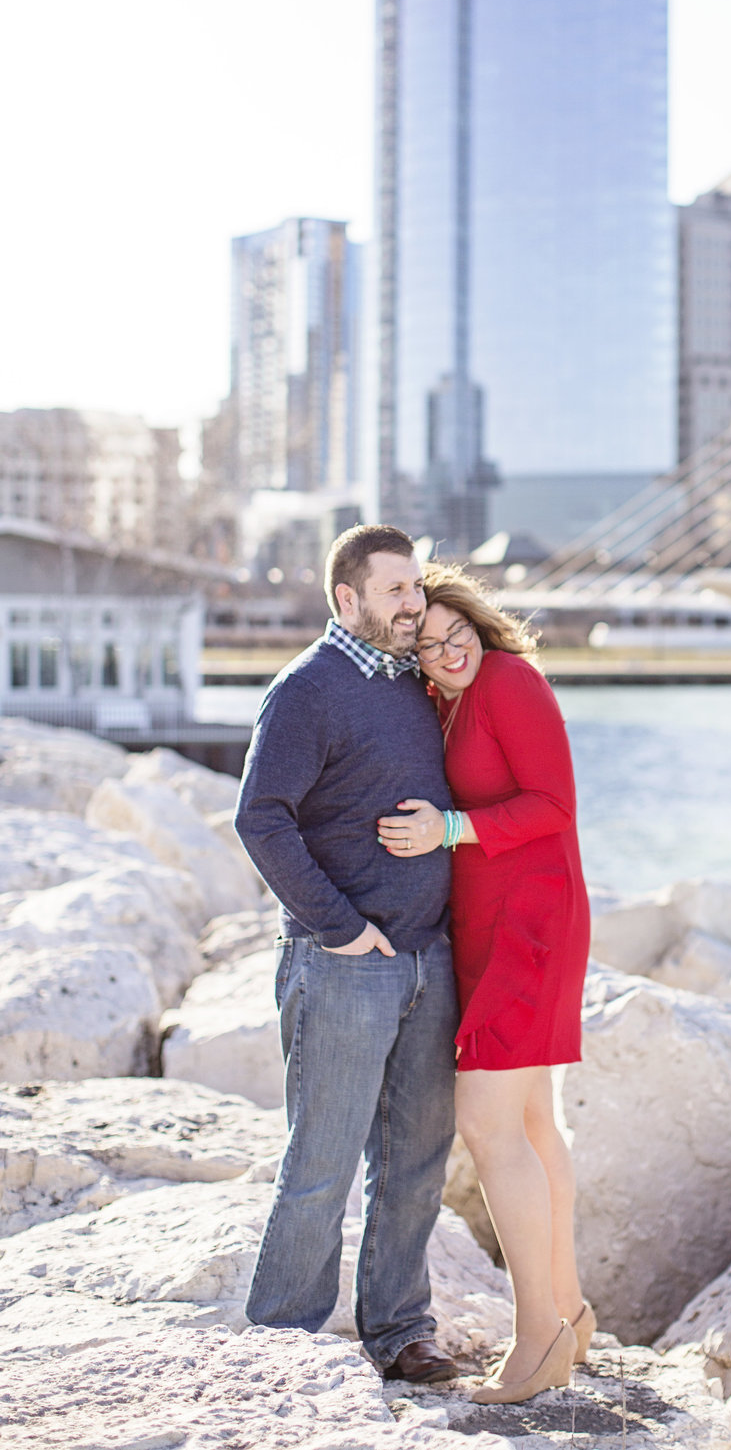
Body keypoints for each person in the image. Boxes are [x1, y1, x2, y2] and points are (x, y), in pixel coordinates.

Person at [234, 525, 460, 1385]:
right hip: (343, 962)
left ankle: (401, 1330)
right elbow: (261, 818)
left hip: (426, 959)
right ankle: (283, 1345)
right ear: (348, 599)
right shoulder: (307, 689)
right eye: (396, 590)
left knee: (416, 1161)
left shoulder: (414, 683)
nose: (414, 604)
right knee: (320, 1164)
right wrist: (338, 926)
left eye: (417, 587)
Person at [376, 563, 592, 1406]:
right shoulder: (450, 697)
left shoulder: (510, 679)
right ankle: (569, 1308)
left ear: (475, 614)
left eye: (451, 625)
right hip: (493, 927)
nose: (445, 646)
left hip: (532, 926)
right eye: (425, 644)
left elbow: (555, 804)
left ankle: (538, 1333)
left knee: (487, 1122)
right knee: (533, 1120)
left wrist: (449, 828)